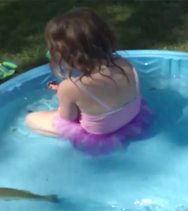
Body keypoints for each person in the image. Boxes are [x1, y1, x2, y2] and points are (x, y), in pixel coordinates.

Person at [25, 8, 150, 154]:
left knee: (31, 119)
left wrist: (63, 100)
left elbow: (67, 118)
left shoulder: (70, 86)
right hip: (132, 118)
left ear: (65, 54)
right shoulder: (124, 64)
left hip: (100, 134)